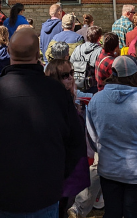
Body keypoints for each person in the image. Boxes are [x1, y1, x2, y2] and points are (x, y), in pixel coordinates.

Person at [0, 28, 86, 217]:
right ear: (37, 54)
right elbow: (76, 144)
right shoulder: (57, 93)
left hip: (6, 195)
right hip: (37, 194)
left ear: (9, 52)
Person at [85, 55, 137, 218]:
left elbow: (91, 136)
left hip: (110, 168)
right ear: (134, 75)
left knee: (112, 212)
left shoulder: (96, 100)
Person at [44, 59, 90, 218]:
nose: (71, 77)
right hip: (57, 167)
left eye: (72, 73)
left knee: (64, 206)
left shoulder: (70, 98)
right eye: (65, 75)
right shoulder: (50, 102)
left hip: (70, 164)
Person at [70, 26, 103, 93]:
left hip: (77, 84)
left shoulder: (78, 48)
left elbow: (71, 64)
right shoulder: (100, 51)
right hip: (93, 86)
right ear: (99, 38)